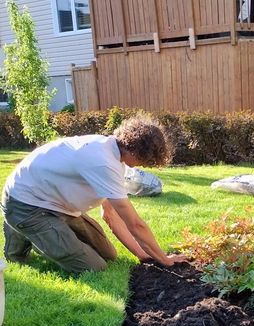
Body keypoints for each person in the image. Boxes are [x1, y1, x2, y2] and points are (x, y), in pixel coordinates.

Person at [1, 115, 187, 273]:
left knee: (110, 256)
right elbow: (135, 224)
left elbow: (111, 215)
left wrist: (144, 255)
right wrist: (165, 259)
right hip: (27, 205)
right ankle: (22, 233)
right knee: (94, 267)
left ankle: (40, 233)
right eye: (145, 159)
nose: (144, 164)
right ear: (135, 149)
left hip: (58, 204)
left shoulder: (114, 157)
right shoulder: (102, 161)